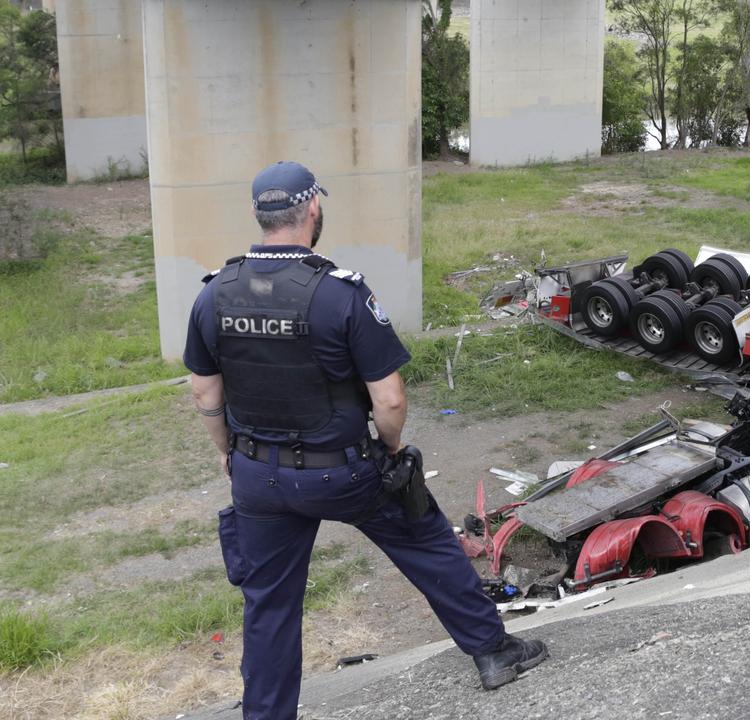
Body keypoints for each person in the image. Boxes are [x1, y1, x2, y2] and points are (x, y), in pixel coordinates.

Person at [184, 161, 546, 719]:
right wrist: (392, 450)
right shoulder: (339, 293)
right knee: (425, 540)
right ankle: (494, 653)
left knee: (270, 606)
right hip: (343, 471)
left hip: (258, 473)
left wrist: (228, 455)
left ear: (260, 216)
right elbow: (391, 400)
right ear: (312, 210)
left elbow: (206, 397)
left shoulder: (214, 295)